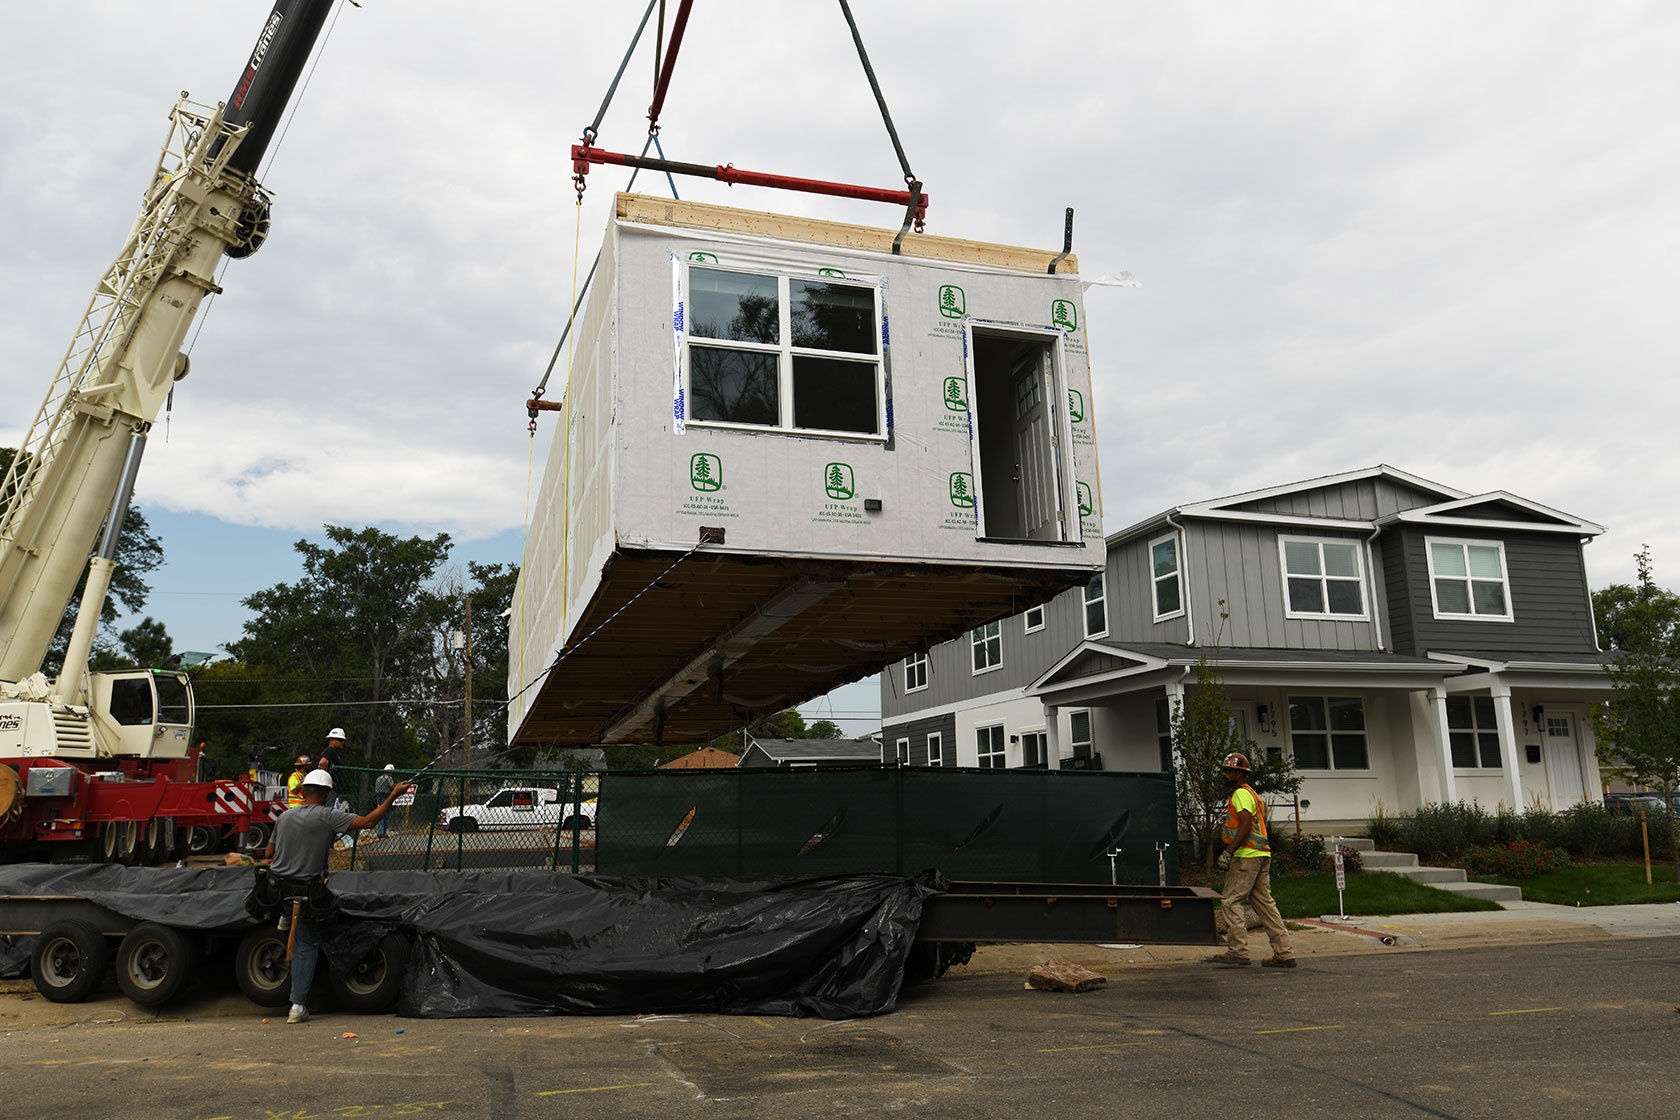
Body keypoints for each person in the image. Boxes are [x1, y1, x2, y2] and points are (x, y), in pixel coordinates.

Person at [263, 768, 411, 1024]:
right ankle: (297, 1006)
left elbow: (269, 852)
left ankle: (286, 916)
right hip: (306, 891)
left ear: (304, 791)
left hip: (278, 888)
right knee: (306, 944)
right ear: (325, 793)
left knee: (291, 906)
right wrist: (393, 796)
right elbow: (369, 822)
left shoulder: (284, 817)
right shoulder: (328, 816)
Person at [1207, 752, 1295, 968]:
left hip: (1247, 857)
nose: (1225, 774)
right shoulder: (1253, 794)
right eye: (1224, 770)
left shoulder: (1240, 794)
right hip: (1261, 854)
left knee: (1230, 900)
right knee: (1265, 904)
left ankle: (1237, 951)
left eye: (1229, 771)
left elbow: (1245, 825)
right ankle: (1284, 953)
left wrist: (1228, 851)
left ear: (1240, 773)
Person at [373, 764, 396, 838]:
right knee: (386, 814)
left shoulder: (379, 778)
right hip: (386, 798)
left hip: (378, 798)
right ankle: (383, 832)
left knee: (380, 814)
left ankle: (380, 831)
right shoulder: (389, 778)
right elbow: (392, 786)